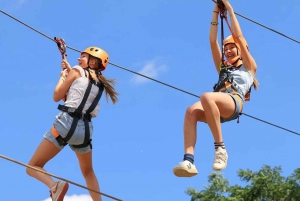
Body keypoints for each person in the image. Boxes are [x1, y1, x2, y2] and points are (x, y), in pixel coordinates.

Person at [173, 0, 259, 177]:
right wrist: (215, 10)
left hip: (234, 102)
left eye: (231, 48)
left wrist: (229, 9)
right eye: (225, 48)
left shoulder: (249, 67)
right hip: (217, 108)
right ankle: (189, 160)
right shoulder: (223, 69)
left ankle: (220, 149)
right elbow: (212, 41)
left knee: (207, 97)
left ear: (241, 50)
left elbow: (239, 36)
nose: (227, 51)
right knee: (191, 111)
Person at [26, 46, 119, 201]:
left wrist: (63, 76)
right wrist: (71, 72)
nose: (78, 59)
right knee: (88, 172)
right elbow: (77, 94)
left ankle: (54, 186)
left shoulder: (76, 71)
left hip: (66, 124)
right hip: (85, 131)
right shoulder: (100, 84)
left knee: (32, 167)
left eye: (83, 56)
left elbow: (57, 96)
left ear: (93, 61)